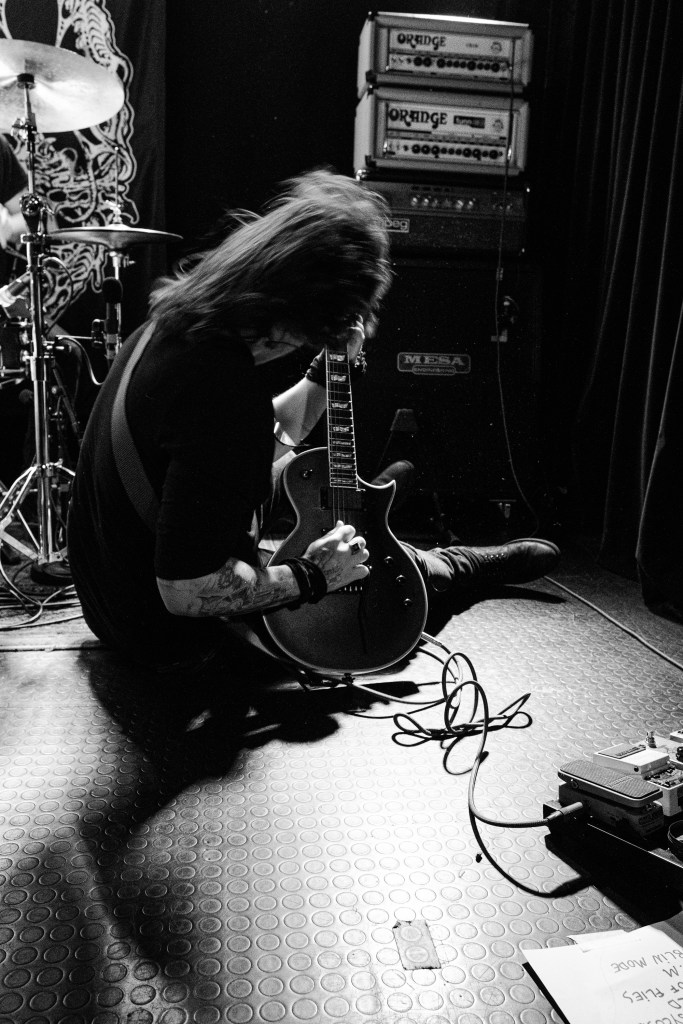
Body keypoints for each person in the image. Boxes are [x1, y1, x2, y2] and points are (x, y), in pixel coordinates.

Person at [66, 169, 559, 686]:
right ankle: (446, 567)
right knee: (342, 573)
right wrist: (313, 575)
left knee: (305, 494)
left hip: (109, 602)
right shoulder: (222, 392)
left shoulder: (177, 326)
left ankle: (397, 534)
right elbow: (187, 590)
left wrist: (324, 373)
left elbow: (242, 445)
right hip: (163, 635)